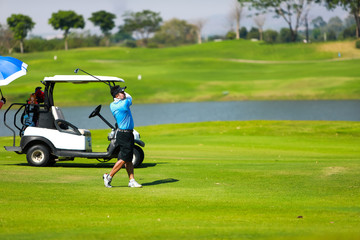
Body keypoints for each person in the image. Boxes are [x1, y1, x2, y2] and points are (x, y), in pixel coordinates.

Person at [103, 85, 142, 188]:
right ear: (117, 95)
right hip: (124, 135)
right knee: (124, 158)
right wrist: (122, 93)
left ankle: (131, 180)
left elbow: (124, 96)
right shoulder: (123, 104)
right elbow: (130, 97)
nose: (124, 93)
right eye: (122, 92)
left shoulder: (113, 104)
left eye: (123, 92)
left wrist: (119, 91)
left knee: (128, 159)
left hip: (127, 134)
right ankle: (109, 177)